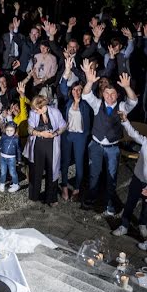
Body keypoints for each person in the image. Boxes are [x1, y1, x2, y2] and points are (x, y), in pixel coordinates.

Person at [80, 61, 139, 216]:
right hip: (96, 145)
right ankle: (91, 199)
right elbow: (86, 94)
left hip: (112, 148)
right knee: (94, 174)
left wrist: (127, 87)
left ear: (117, 95)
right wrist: (90, 81)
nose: (109, 96)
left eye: (113, 94)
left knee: (112, 177)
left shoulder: (121, 107)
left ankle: (110, 204)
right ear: (103, 94)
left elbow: (133, 101)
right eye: (107, 93)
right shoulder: (97, 104)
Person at [24, 96, 67, 204]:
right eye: (34, 109)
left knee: (52, 171)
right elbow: (29, 130)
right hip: (38, 145)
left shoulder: (55, 112)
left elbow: (63, 126)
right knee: (36, 171)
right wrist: (40, 133)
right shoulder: (34, 113)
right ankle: (34, 196)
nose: (35, 111)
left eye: (37, 109)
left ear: (43, 106)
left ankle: (51, 198)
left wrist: (55, 134)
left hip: (52, 145)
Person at [59, 69, 92, 202]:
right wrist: (67, 70)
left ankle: (77, 188)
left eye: (79, 89)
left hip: (80, 137)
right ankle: (65, 186)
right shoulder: (68, 102)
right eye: (74, 90)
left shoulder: (86, 104)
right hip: (67, 135)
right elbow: (62, 86)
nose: (76, 92)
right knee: (65, 161)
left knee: (79, 162)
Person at [0, 121, 21, 193]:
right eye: (7, 130)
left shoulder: (16, 139)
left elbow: (18, 149)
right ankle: (2, 183)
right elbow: (0, 142)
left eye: (11, 130)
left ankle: (15, 184)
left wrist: (19, 159)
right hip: (2, 157)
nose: (9, 132)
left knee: (12, 172)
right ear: (5, 129)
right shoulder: (3, 136)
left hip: (12, 158)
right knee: (3, 171)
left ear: (15, 130)